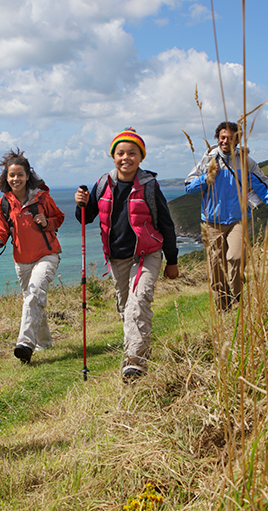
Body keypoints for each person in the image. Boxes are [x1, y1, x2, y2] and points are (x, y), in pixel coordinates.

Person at [74, 128, 179, 383]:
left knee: (138, 302)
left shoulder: (150, 186)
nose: (126, 158)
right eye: (120, 153)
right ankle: (139, 348)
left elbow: (166, 224)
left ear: (141, 157)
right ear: (113, 156)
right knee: (126, 309)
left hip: (147, 254)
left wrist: (172, 260)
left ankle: (135, 364)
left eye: (132, 153)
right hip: (117, 258)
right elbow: (86, 218)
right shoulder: (103, 184)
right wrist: (81, 204)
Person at [184, 121, 268, 311]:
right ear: (218, 138)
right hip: (211, 222)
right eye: (223, 138)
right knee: (216, 270)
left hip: (237, 219)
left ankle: (238, 300)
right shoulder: (208, 159)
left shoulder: (245, 161)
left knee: (237, 258)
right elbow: (189, 188)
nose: (226, 142)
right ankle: (224, 309)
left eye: (231, 138)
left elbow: (263, 185)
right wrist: (206, 178)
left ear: (237, 140)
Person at [0, 149, 65, 364]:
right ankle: (44, 342)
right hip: (21, 261)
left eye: (20, 175)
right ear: (6, 178)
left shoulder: (42, 198)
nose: (15, 179)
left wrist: (46, 223)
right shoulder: (4, 204)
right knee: (33, 300)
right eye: (11, 175)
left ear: (28, 176)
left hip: (47, 255)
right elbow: (0, 233)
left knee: (34, 294)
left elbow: (58, 217)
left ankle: (25, 344)